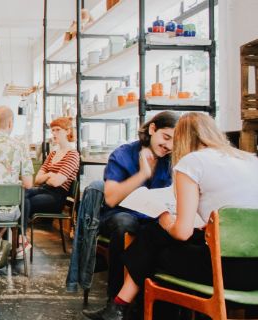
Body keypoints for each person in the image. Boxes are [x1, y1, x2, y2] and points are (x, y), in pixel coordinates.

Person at [84, 112, 258, 320]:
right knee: (154, 237)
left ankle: (120, 307)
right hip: (253, 272)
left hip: (223, 272)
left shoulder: (192, 163)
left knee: (157, 244)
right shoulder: (249, 159)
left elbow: (182, 233)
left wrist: (166, 221)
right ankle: (119, 307)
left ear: (182, 138)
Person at [82, 111, 178, 313]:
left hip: (155, 218)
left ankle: (159, 305)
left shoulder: (172, 160)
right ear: (152, 129)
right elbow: (111, 198)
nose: (168, 146)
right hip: (119, 216)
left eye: (174, 142)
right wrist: (143, 174)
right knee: (125, 224)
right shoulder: (123, 154)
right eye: (166, 137)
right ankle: (115, 306)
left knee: (170, 231)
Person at [24, 117, 80, 219]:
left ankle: (20, 233)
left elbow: (56, 182)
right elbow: (37, 180)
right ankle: (18, 232)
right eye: (53, 130)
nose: (54, 133)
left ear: (67, 131)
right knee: (19, 194)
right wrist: (50, 175)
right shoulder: (52, 154)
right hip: (43, 190)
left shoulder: (72, 155)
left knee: (23, 201)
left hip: (56, 197)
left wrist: (46, 177)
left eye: (58, 130)